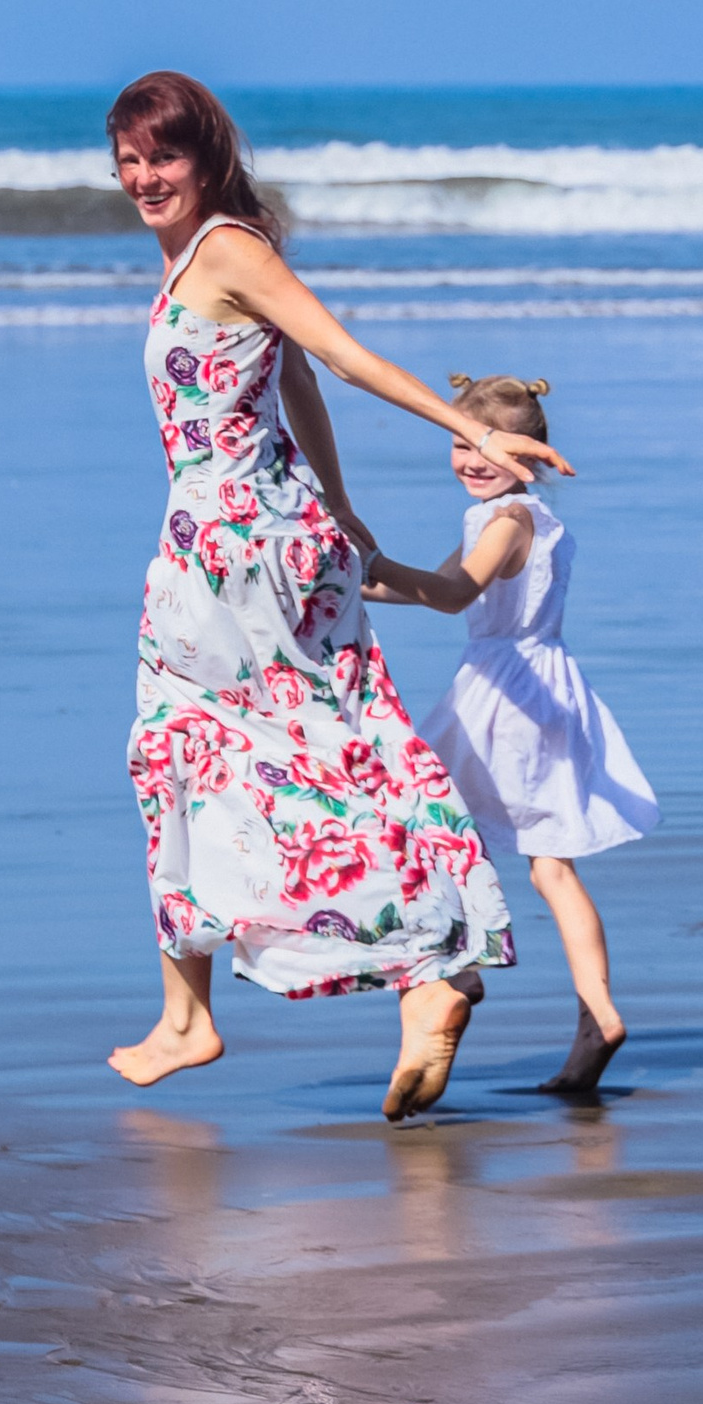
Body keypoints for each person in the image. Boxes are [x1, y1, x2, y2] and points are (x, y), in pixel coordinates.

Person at [105, 71, 572, 1121]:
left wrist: (476, 431)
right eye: (128, 160)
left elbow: (345, 357)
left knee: (189, 753)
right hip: (262, 534)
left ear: (206, 157)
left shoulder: (226, 246)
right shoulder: (196, 253)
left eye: (162, 157)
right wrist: (344, 509)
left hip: (233, 547)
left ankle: (202, 1013)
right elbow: (297, 379)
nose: (143, 177)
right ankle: (431, 967)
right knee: (332, 753)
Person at [363, 375, 658, 1096]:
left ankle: (457, 973)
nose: (470, 457)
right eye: (459, 442)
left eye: (485, 446)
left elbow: (456, 595)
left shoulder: (509, 521)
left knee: (423, 820)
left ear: (528, 450)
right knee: (550, 868)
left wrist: (369, 561)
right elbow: (429, 585)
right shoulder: (502, 516)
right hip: (543, 684)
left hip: (506, 697)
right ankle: (599, 1015)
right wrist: (354, 582)